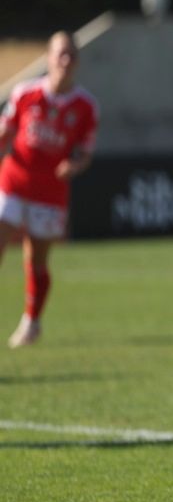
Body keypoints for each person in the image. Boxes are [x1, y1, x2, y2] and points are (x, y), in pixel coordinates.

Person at [1, 31, 99, 348]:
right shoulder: (25, 93)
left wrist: (75, 166)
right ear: (49, 57)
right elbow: (7, 130)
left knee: (37, 259)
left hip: (49, 192)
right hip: (13, 182)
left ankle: (32, 322)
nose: (66, 60)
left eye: (72, 55)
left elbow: (85, 150)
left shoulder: (85, 106)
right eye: (61, 54)